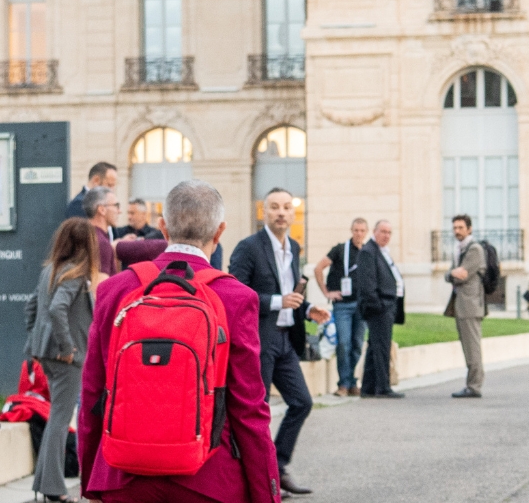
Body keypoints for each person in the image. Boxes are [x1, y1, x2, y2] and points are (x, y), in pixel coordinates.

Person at [79, 180, 282, 503]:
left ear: (162, 227)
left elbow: (93, 391)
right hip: (209, 480)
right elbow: (249, 409)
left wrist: (92, 480)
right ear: (219, 231)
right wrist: (267, 493)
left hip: (123, 477)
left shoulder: (115, 290)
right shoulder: (236, 297)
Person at [225, 187, 315, 497]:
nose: (281, 212)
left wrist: (308, 307)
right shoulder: (248, 247)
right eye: (274, 207)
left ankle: (277, 465)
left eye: (286, 207)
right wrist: (278, 301)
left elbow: (293, 292)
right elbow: (235, 293)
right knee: (256, 410)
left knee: (302, 402)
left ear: (293, 213)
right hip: (258, 340)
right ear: (264, 212)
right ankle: (256, 478)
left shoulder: (295, 247)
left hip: (286, 340)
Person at [23, 218, 100, 502]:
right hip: (66, 356)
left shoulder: (51, 271)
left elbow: (30, 306)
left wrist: (33, 341)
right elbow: (57, 309)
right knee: (59, 419)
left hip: (46, 352)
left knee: (56, 417)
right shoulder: (76, 275)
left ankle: (44, 485)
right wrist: (68, 347)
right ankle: (54, 490)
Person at [313, 218, 382, 396]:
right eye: (356, 230)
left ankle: (351, 382)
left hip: (362, 306)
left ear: (366, 232)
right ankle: (343, 384)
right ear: (351, 231)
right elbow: (318, 268)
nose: (358, 234)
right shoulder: (340, 250)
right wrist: (327, 292)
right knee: (344, 343)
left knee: (358, 344)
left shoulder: (368, 252)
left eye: (362, 231)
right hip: (343, 305)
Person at [361, 220, 405, 399]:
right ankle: (383, 387)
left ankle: (368, 387)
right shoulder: (368, 252)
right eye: (383, 232)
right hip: (379, 308)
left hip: (387, 305)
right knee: (382, 348)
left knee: (375, 347)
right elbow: (367, 283)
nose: (386, 236)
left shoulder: (381, 252)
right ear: (375, 231)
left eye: (389, 232)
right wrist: (378, 305)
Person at [445, 214, 487, 399]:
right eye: (455, 228)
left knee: (473, 348)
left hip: (470, 305)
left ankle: (474, 385)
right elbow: (450, 274)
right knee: (468, 347)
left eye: (461, 228)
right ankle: (471, 384)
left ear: (469, 229)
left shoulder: (474, 249)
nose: (457, 231)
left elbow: (461, 275)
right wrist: (451, 274)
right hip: (462, 305)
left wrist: (451, 274)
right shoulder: (459, 249)